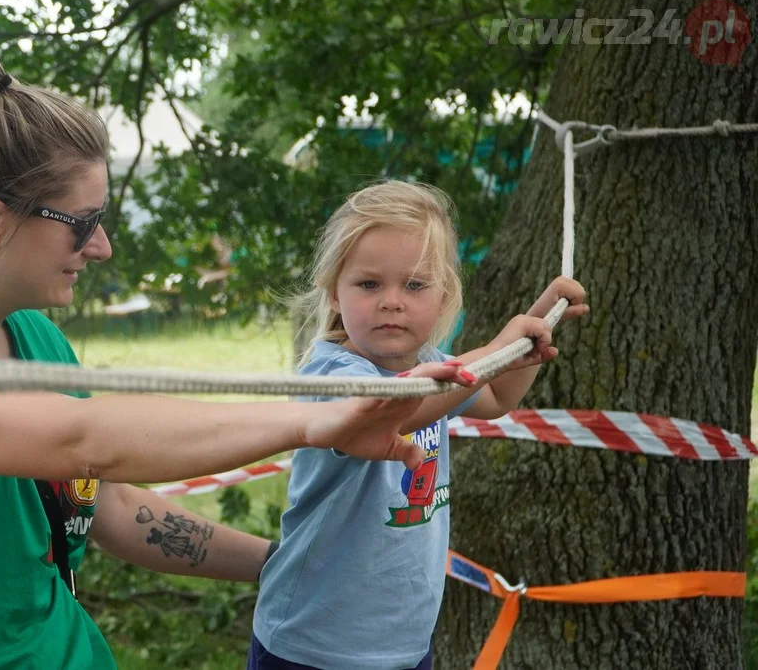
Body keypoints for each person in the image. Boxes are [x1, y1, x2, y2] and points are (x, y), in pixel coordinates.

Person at [0, 53, 479, 669]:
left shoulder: (36, 341)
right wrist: (310, 421)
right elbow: (88, 442)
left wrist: (289, 563)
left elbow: (113, 505)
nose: (98, 246)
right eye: (80, 221)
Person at [249, 181, 590, 670]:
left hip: (404, 641)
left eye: (414, 285)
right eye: (369, 284)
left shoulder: (433, 363)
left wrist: (534, 326)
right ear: (334, 294)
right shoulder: (334, 376)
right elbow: (392, 410)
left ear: (444, 294)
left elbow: (493, 397)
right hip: (312, 642)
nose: (392, 301)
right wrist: (497, 347)